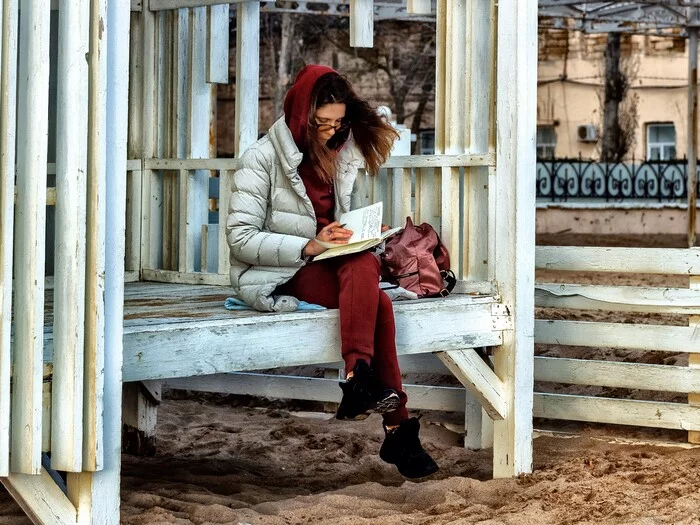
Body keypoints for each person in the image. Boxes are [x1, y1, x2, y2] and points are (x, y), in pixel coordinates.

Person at [226, 64, 438, 479]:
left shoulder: (341, 153)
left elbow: (335, 221)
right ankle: (395, 426)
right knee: (377, 303)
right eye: (321, 123)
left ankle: (359, 378)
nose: (330, 131)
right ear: (300, 114)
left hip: (329, 262)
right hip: (277, 270)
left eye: (338, 122)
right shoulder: (261, 158)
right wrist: (311, 244)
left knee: (363, 267)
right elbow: (239, 238)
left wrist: (358, 232)